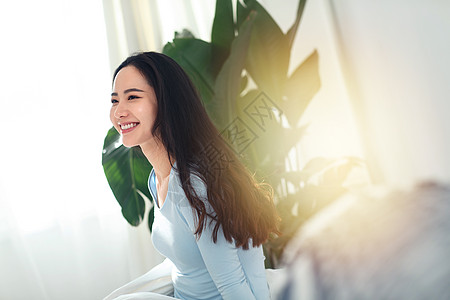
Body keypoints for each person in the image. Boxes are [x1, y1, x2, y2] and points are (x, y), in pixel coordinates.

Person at [104, 52, 280, 300]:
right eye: (114, 100)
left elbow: (234, 282)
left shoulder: (193, 185)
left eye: (132, 97)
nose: (119, 112)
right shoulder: (156, 179)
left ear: (165, 102)